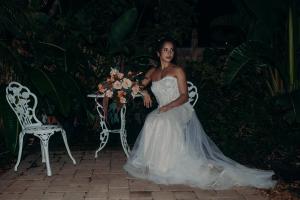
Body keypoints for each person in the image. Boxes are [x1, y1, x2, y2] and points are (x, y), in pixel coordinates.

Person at [123, 38, 276, 190]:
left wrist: (169, 106)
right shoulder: (152, 72)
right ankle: (154, 163)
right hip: (162, 109)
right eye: (165, 50)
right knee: (151, 120)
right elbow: (136, 86)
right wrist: (144, 93)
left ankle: (167, 165)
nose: (169, 53)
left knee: (163, 121)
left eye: (171, 50)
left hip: (178, 107)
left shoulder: (177, 70)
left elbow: (184, 96)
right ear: (158, 53)